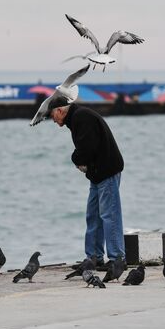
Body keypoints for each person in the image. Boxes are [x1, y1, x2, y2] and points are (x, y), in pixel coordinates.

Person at [48, 97, 125, 268]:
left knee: (109, 215)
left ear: (60, 110)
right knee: (93, 216)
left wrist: (75, 159)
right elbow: (88, 147)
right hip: (97, 173)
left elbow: (86, 148)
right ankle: (94, 257)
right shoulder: (77, 117)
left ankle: (117, 258)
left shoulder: (81, 117)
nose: (52, 119)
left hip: (107, 171)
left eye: (52, 115)